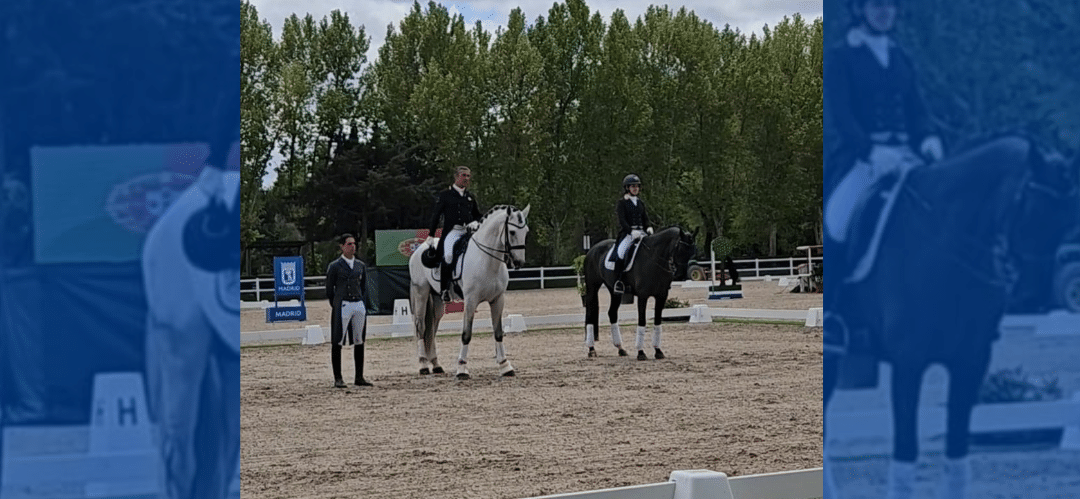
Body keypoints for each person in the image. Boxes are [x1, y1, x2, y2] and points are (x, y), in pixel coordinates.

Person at [427, 166, 482, 302]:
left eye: (468, 176)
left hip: (468, 231)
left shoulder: (470, 197)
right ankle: (445, 289)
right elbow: (436, 215)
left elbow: (477, 214)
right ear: (456, 177)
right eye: (464, 175)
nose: (466, 179)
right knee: (448, 255)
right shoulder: (445, 195)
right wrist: (431, 234)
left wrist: (478, 222)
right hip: (453, 231)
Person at [325, 234, 373, 388]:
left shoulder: (360, 265)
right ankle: (338, 377)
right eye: (349, 244)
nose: (353, 246)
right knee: (338, 340)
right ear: (342, 246)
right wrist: (336, 302)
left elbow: (363, 286)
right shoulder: (335, 266)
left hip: (358, 303)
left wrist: (362, 302)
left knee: (359, 340)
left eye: (354, 244)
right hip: (343, 304)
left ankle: (359, 376)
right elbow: (329, 288)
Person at [613, 174, 652, 294]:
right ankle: (619, 281)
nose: (635, 188)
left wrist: (649, 227)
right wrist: (630, 231)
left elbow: (645, 218)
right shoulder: (622, 203)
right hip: (628, 234)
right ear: (627, 188)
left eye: (637, 186)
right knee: (620, 253)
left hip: (642, 233)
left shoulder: (640, 202)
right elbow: (622, 221)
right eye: (632, 186)